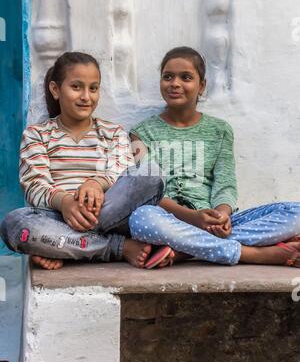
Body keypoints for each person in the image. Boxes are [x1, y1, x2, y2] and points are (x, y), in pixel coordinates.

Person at [129, 46, 300, 268]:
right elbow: (148, 192)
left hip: (212, 222)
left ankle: (183, 250)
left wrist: (221, 215)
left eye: (186, 77)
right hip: (168, 219)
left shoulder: (220, 130)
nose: (175, 83)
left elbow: (225, 184)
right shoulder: (140, 133)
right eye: (167, 77)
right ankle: (252, 254)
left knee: (296, 212)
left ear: (202, 86)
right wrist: (193, 218)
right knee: (141, 218)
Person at [0, 51, 165, 270]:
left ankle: (62, 246)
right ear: (55, 89)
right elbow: (35, 185)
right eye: (76, 87)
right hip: (56, 217)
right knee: (15, 225)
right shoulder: (36, 134)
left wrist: (96, 183)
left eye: (93, 88)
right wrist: (65, 203)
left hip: (106, 213)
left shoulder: (112, 132)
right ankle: (117, 247)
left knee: (150, 172)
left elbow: (122, 171)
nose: (86, 96)